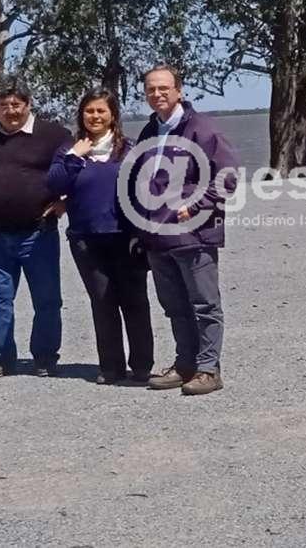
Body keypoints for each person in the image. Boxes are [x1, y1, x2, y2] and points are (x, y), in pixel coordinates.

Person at [126, 65, 238, 396]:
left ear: (179, 90)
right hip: (157, 237)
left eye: (163, 88)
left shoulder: (201, 129)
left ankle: (208, 369)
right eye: (150, 89)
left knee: (204, 305)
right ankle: (185, 363)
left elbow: (227, 176)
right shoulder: (149, 132)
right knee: (174, 306)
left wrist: (196, 205)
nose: (157, 94)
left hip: (194, 234)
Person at [0, 74, 72, 379]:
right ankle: (1, 357)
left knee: (47, 299)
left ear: (28, 104)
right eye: (3, 105)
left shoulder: (53, 135)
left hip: (38, 233)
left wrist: (66, 201)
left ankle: (45, 358)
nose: (11, 111)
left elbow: (79, 169)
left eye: (16, 104)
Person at [48, 88, 153, 385]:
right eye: (89, 111)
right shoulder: (70, 149)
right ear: (81, 115)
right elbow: (54, 183)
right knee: (102, 302)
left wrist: (145, 232)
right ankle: (111, 367)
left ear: (113, 115)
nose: (95, 116)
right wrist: (74, 157)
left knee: (135, 301)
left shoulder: (129, 149)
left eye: (101, 111)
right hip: (86, 239)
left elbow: (146, 189)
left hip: (126, 237)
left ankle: (142, 366)